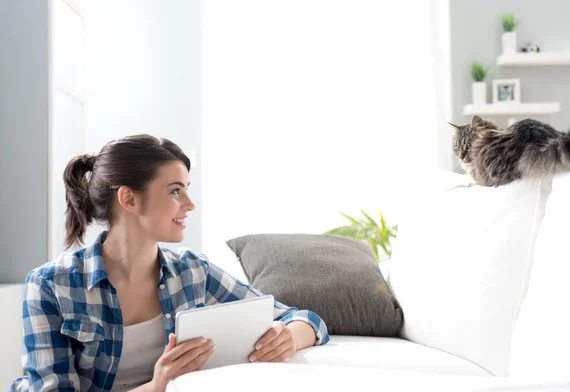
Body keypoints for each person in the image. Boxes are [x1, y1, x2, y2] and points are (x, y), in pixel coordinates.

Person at [9, 135, 330, 392]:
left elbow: (304, 319)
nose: (189, 205)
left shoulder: (193, 270)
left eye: (187, 190)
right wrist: (159, 384)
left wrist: (289, 335)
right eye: (176, 191)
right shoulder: (52, 284)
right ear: (129, 198)